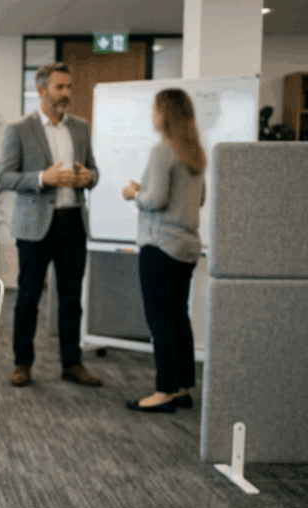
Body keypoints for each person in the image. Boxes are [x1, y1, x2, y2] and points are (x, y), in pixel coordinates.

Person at [0, 61, 102, 389]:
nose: (67, 93)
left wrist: (89, 178)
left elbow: (94, 170)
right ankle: (22, 363)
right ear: (42, 91)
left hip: (73, 223)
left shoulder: (81, 128)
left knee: (71, 298)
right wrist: (44, 177)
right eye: (60, 88)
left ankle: (72, 363)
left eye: (69, 87)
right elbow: (4, 177)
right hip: (35, 226)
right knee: (28, 297)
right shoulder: (19, 128)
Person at [122, 89, 206, 412]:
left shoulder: (163, 151)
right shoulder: (195, 153)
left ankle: (165, 391)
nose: (152, 114)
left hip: (159, 246)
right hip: (187, 247)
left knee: (161, 322)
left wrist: (134, 193)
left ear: (164, 113)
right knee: (177, 317)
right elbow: (198, 200)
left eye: (156, 108)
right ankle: (183, 387)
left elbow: (155, 200)